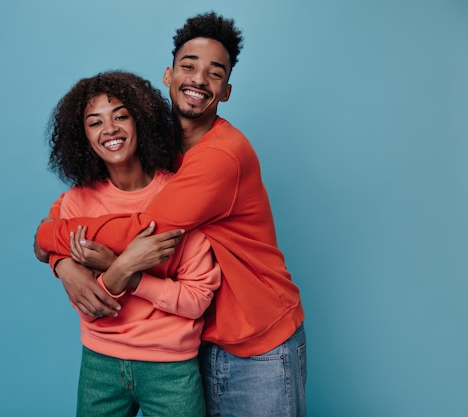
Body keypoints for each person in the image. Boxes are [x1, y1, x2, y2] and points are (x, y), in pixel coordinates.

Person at [36, 12, 307, 417]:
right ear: (168, 74)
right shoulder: (154, 143)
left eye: (215, 73)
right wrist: (62, 262)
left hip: (256, 340)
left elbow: (138, 231)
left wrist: (47, 241)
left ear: (226, 91)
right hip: (195, 339)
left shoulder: (220, 156)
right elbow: (70, 210)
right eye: (188, 66)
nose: (199, 79)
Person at [42, 70, 220, 417]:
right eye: (95, 123)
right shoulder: (76, 204)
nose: (110, 129)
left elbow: (197, 299)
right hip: (100, 363)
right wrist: (121, 265)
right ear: (84, 137)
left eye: (120, 116)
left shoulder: (179, 196)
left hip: (171, 369)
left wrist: (128, 275)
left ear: (140, 120)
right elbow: (91, 306)